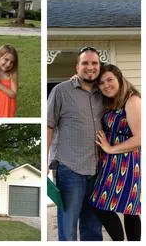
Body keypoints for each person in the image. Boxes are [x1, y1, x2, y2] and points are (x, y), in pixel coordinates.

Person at [47, 46, 104, 241]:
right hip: (70, 169)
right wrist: (44, 161)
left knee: (93, 228)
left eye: (94, 63)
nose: (90, 67)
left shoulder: (105, 93)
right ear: (77, 66)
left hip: (99, 171)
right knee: (68, 229)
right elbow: (48, 126)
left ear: (99, 66)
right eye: (85, 63)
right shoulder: (61, 91)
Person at [89, 64, 141, 241]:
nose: (106, 85)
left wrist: (110, 148)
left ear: (120, 79)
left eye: (110, 79)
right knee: (100, 204)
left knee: (129, 209)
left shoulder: (132, 100)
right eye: (102, 82)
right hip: (109, 162)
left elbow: (140, 138)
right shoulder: (110, 102)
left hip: (127, 161)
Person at [0, 44, 18, 117]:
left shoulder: (12, 74)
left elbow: (13, 94)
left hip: (7, 107)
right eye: (6, 59)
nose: (8, 64)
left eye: (12, 62)